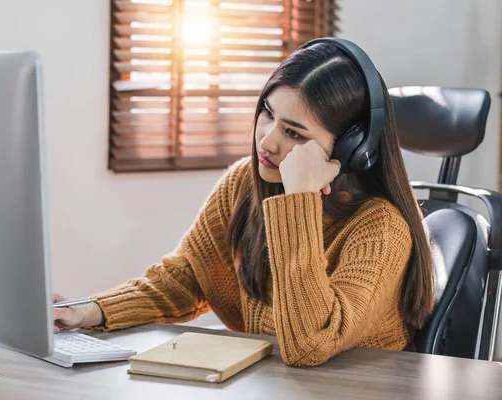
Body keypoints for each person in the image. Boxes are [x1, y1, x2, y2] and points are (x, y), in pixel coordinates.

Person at [53, 38, 434, 367]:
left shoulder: (381, 229)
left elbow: (308, 344)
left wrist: (298, 200)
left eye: (294, 134)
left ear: (350, 151)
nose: (267, 141)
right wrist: (87, 310)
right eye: (268, 113)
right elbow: (186, 279)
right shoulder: (245, 184)